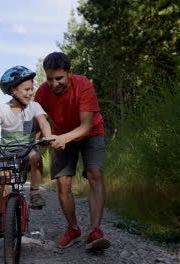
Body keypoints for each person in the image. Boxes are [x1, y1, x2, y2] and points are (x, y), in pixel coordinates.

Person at [34, 52, 110, 250]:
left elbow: (86, 126)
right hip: (59, 134)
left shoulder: (83, 85)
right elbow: (37, 124)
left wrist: (64, 139)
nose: (54, 83)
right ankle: (73, 229)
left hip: (91, 133)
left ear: (70, 72)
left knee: (95, 173)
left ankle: (95, 231)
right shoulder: (42, 92)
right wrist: (35, 142)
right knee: (63, 182)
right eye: (49, 78)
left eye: (59, 78)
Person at [0, 65, 52, 238]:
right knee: (2, 181)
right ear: (13, 90)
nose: (30, 93)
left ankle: (34, 192)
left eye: (31, 89)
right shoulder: (1, 110)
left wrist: (48, 137)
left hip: (27, 148)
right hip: (7, 151)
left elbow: (43, 123)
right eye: (26, 89)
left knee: (36, 158)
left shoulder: (34, 107)